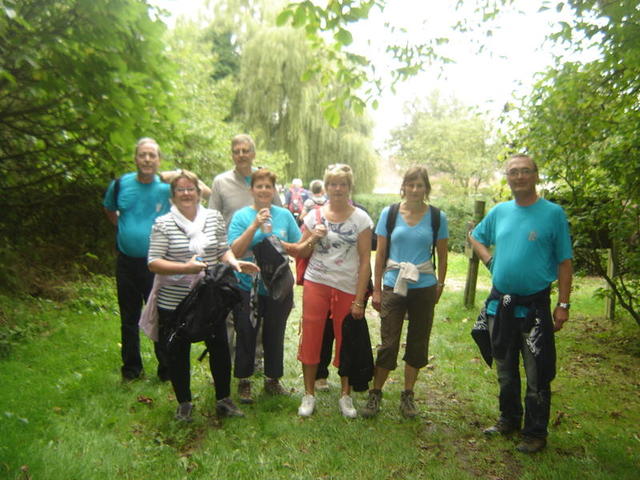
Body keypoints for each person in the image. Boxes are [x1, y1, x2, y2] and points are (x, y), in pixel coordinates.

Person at [468, 154, 573, 454]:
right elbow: (475, 237)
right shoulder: (500, 212)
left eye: (525, 171)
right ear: (508, 177)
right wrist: (489, 259)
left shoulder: (553, 214)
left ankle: (536, 432)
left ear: (536, 176)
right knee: (505, 368)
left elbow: (565, 263)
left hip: (535, 306)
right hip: (500, 304)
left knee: (537, 371)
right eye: (513, 172)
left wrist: (563, 304)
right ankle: (509, 419)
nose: (519, 177)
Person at [145, 170, 259, 421]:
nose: (186, 193)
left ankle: (224, 400)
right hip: (174, 302)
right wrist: (185, 268)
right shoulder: (163, 223)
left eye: (191, 189)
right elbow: (153, 262)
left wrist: (235, 263)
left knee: (219, 348)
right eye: (180, 190)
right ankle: (184, 403)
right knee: (177, 352)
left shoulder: (214, 218)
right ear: (173, 196)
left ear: (199, 193)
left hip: (210, 299)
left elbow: (222, 249)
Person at [103, 138, 211, 381]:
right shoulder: (120, 185)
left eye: (152, 155)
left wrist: (178, 173)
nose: (147, 160)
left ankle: (166, 369)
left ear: (159, 160)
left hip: (160, 263)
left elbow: (203, 191)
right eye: (143, 155)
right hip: (127, 263)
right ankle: (132, 369)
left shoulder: (166, 188)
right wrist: (125, 229)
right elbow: (109, 209)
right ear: (136, 158)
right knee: (129, 317)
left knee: (162, 316)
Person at [360, 166, 448, 419]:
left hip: (423, 285)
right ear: (404, 186)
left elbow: (442, 256)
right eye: (410, 184)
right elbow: (380, 256)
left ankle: (408, 395)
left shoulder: (436, 217)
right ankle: (376, 392)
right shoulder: (390, 214)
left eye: (420, 185)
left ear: (426, 189)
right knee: (388, 342)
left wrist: (440, 284)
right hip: (393, 283)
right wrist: (376, 289)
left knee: (418, 342)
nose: (415, 189)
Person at [296, 164, 373, 418]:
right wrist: (313, 238)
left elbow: (364, 261)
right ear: (326, 187)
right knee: (311, 338)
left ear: (349, 187)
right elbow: (302, 251)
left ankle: (345, 395)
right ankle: (309, 394)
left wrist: (360, 299)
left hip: (347, 286)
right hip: (316, 282)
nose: (337, 189)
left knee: (346, 340)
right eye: (332, 184)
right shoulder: (313, 216)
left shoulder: (361, 219)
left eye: (342, 184)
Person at [208, 134, 283, 370]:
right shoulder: (221, 182)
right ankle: (228, 359)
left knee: (257, 309)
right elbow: (213, 219)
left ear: (253, 153)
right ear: (232, 154)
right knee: (230, 311)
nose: (241, 154)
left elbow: (279, 212)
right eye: (236, 150)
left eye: (245, 150)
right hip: (229, 255)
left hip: (261, 259)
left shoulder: (263, 179)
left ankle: (256, 358)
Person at [227, 169, 301, 403]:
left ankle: (273, 379)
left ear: (274, 190)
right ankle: (244, 380)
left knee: (275, 331)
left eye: (268, 186)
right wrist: (254, 226)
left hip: (276, 285)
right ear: (252, 190)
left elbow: (297, 247)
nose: (263, 190)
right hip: (246, 283)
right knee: (246, 331)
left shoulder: (285, 216)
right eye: (259, 186)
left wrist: (277, 243)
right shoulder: (241, 216)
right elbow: (234, 252)